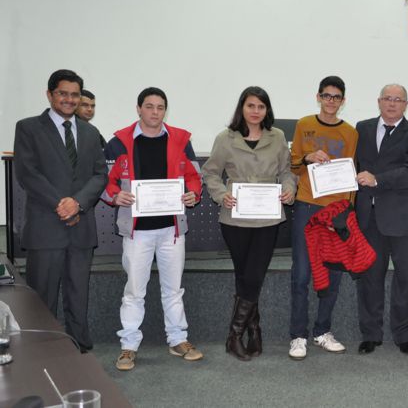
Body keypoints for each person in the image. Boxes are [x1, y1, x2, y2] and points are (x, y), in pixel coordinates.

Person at [103, 87, 204, 371]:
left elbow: (194, 178)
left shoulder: (181, 140)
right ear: (138, 109)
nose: (155, 112)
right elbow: (105, 182)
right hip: (137, 232)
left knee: (174, 290)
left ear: (165, 111)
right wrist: (114, 195)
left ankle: (177, 339)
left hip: (171, 229)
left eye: (160, 107)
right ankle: (128, 346)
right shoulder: (118, 142)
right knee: (135, 291)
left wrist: (192, 194)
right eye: (149, 106)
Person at [13, 69, 107, 352]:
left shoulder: (91, 133)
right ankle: (43, 353)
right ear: (50, 94)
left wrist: (77, 203)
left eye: (74, 94)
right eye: (63, 93)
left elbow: (99, 175)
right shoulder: (28, 128)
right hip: (46, 227)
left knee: (79, 296)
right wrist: (61, 203)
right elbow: (28, 173)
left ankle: (79, 351)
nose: (69, 99)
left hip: (81, 227)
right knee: (42, 299)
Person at [202, 86, 297, 361]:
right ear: (242, 108)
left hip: (267, 218)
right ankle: (253, 330)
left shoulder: (277, 137)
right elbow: (210, 173)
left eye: (261, 107)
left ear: (267, 110)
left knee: (253, 275)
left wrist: (289, 189)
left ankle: (234, 336)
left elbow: (286, 172)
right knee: (244, 275)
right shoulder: (226, 138)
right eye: (251, 106)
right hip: (235, 218)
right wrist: (222, 195)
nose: (256, 112)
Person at [355, 84, 408, 355]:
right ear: (379, 101)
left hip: (402, 217)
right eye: (388, 98)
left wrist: (378, 179)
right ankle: (371, 333)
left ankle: (403, 333)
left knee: (405, 278)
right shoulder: (361, 128)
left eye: (398, 100)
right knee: (369, 277)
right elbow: (352, 165)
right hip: (368, 216)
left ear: (406, 105)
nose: (392, 103)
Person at [287, 76, 357, 360]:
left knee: (333, 273)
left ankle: (322, 331)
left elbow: (350, 175)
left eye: (336, 97)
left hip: (336, 210)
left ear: (343, 101)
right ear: (318, 97)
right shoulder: (304, 124)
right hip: (307, 205)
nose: (331, 101)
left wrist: (345, 213)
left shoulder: (351, 133)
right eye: (326, 96)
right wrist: (307, 158)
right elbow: (292, 163)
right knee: (302, 274)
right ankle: (298, 336)